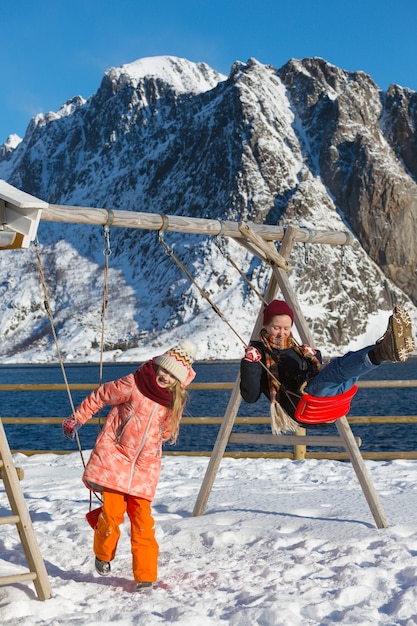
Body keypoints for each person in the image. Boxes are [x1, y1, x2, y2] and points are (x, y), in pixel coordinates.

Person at [62, 340, 197, 592]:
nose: (164, 377)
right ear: (157, 365)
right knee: (112, 515)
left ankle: (145, 575)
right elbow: (101, 395)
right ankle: (103, 554)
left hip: (145, 469)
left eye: (171, 375)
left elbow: (166, 432)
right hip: (115, 459)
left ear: (179, 381)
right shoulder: (133, 384)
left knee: (143, 521)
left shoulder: (172, 401)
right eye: (163, 370)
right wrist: (77, 418)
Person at [240, 300, 415, 433]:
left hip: (325, 402)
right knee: (338, 370)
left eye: (286, 328)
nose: (282, 333)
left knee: (347, 362)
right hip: (303, 405)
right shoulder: (259, 353)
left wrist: (312, 356)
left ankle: (385, 348)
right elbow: (250, 397)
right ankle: (384, 351)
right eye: (276, 328)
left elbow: (313, 372)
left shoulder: (296, 348)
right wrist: (250, 365)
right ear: (265, 326)